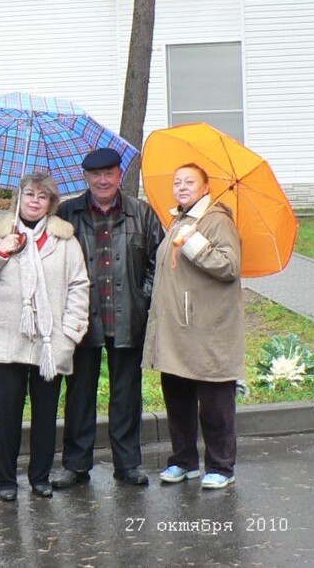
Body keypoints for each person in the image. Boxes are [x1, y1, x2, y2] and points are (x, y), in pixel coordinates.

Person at [0, 171, 90, 502]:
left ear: (51, 204)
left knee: (46, 416)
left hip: (50, 342)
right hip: (9, 341)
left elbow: (79, 285)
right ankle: (6, 480)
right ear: (17, 198)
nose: (35, 201)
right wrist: (1, 251)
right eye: (29, 194)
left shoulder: (65, 241)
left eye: (42, 196)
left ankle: (39, 477)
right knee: (7, 415)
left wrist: (70, 331)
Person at [52, 148, 163, 488]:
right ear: (86, 177)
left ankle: (127, 464)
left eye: (109, 173)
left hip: (127, 314)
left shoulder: (142, 214)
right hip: (81, 317)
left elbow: (157, 263)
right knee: (79, 393)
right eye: (95, 174)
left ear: (119, 175)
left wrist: (142, 297)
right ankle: (76, 464)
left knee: (126, 394)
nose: (102, 180)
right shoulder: (67, 213)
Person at [142, 163, 244, 490]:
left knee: (215, 399)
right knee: (178, 398)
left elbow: (229, 266)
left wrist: (194, 243)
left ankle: (221, 466)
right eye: (177, 182)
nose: (182, 187)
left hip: (207, 328)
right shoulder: (180, 219)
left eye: (189, 182)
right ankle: (184, 461)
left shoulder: (217, 220)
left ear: (204, 187)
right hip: (177, 328)